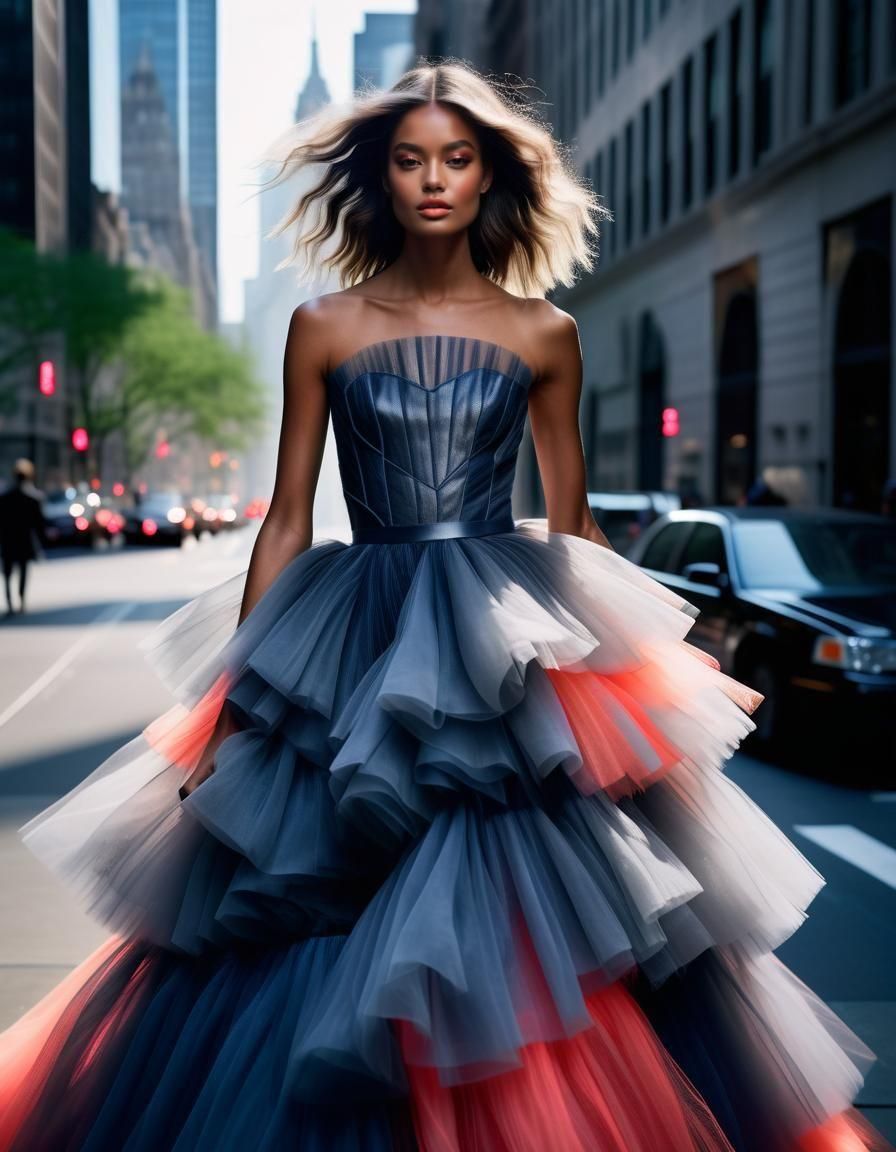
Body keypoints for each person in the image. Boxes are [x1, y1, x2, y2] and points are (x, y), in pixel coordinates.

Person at [0, 61, 890, 1152]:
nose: (432, 180)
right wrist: (236, 701)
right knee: (307, 895)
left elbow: (573, 529)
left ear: (486, 178)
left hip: (497, 635)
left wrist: (644, 687)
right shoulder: (322, 325)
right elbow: (285, 518)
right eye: (409, 158)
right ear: (380, 178)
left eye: (455, 159)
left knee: (559, 912)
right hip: (352, 635)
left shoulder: (544, 333)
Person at [0, 458, 47, 617]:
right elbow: (40, 525)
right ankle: (21, 600)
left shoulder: (5, 497)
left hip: (8, 540)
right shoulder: (34, 498)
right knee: (23, 571)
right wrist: (42, 543)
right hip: (24, 540)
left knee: (7, 573)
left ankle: (10, 603)